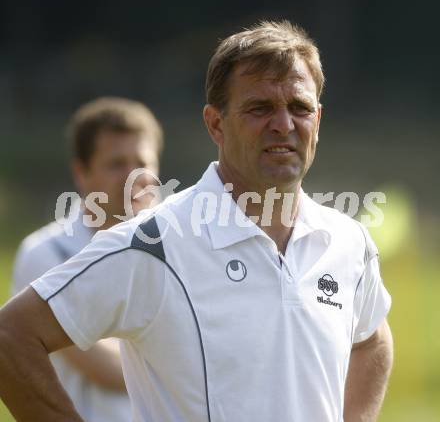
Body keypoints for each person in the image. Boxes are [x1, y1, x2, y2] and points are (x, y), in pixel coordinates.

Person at [0, 21, 392, 422]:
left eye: (300, 107)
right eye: (260, 108)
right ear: (215, 124)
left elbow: (372, 340)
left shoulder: (348, 241)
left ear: (318, 120)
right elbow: (11, 337)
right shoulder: (154, 243)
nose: (284, 124)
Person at [10, 96, 163, 422]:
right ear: (82, 173)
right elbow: (104, 369)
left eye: (143, 162)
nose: (134, 176)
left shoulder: (182, 245)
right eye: (116, 164)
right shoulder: (46, 254)